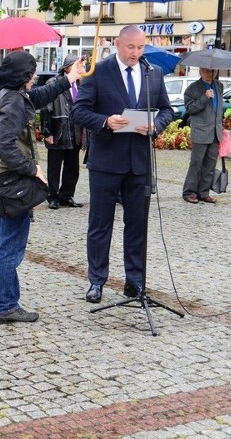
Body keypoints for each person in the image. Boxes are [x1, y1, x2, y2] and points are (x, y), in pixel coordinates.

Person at [0, 51, 85, 322]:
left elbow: (36, 98)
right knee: (10, 246)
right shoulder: (12, 100)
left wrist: (68, 79)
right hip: (14, 182)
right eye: (32, 71)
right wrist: (32, 168)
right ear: (23, 76)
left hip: (3, 180)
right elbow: (4, 144)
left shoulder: (6, 93)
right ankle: (5, 305)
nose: (35, 76)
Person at [70, 25, 174, 303]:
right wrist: (105, 121)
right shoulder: (99, 71)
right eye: (131, 47)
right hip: (106, 161)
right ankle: (97, 281)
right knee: (100, 224)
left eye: (141, 48)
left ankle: (135, 281)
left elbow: (167, 110)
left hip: (139, 162)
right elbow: (78, 111)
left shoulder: (153, 73)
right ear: (117, 44)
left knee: (137, 224)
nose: (136, 53)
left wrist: (155, 125)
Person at [41, 53, 86, 210]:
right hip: (58, 129)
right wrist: (47, 132)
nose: (81, 68)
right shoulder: (54, 83)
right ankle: (52, 197)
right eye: (77, 65)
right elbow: (46, 109)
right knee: (54, 167)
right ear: (68, 68)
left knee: (72, 168)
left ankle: (66, 195)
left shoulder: (82, 83)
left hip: (76, 131)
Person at [181, 68, 224, 204]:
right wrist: (204, 98)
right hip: (200, 131)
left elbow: (218, 109)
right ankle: (189, 192)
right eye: (207, 71)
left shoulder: (219, 86)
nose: (210, 74)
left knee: (210, 164)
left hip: (215, 131)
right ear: (200, 71)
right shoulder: (192, 89)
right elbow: (190, 109)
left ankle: (204, 192)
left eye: (213, 71)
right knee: (196, 164)